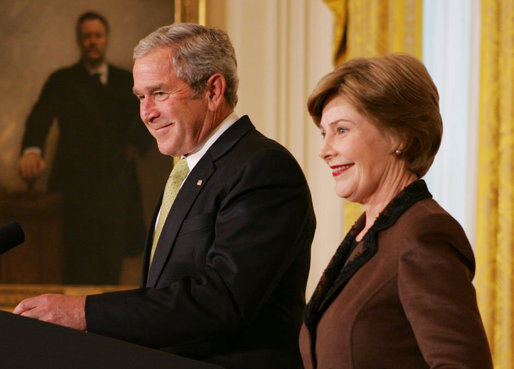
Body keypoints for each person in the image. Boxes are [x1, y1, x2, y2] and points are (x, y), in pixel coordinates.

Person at [14, 23, 316, 369]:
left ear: (213, 91)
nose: (146, 113)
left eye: (159, 93)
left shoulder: (263, 167)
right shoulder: (188, 169)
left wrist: (86, 312)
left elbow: (223, 299)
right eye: (140, 97)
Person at [299, 54, 493, 369]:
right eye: (324, 133)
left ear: (399, 136)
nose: (324, 150)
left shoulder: (424, 233)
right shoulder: (369, 234)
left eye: (342, 130)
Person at [17, 11, 151, 284]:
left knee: (110, 262)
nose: (92, 42)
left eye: (97, 36)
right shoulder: (62, 80)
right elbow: (40, 118)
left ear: (106, 39)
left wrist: (135, 146)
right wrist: (32, 150)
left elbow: (149, 115)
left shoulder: (127, 81)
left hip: (115, 187)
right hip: (73, 187)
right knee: (73, 263)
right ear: (79, 41)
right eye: (87, 36)